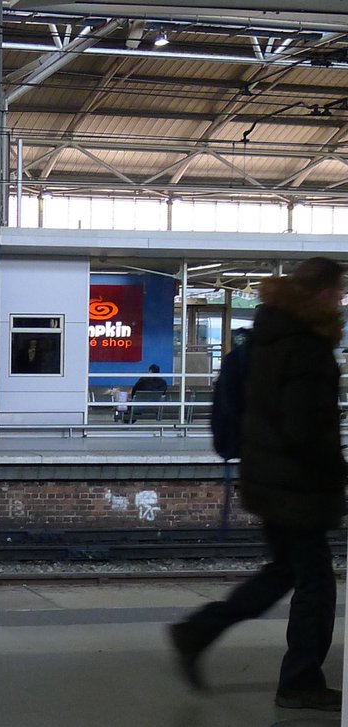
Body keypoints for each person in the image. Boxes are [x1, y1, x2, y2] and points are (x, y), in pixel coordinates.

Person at [168, 256, 347, 711]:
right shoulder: (306, 345)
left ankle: (197, 631)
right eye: (339, 290)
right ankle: (300, 682)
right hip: (296, 484)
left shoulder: (270, 335)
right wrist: (338, 476)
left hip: (268, 477)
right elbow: (307, 427)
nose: (342, 298)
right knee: (316, 585)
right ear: (324, 293)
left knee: (284, 572)